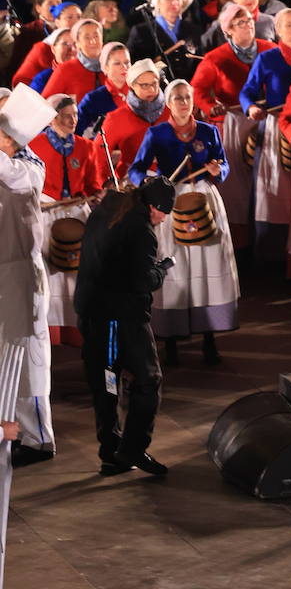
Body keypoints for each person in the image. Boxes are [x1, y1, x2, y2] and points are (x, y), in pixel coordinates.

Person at [129, 79, 238, 368]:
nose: (183, 102)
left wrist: (218, 169)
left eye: (187, 97)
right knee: (175, 266)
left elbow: (223, 164)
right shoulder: (157, 134)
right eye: (177, 98)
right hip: (171, 201)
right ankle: (171, 341)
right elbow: (135, 170)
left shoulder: (209, 131)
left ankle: (209, 339)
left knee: (208, 264)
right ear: (168, 103)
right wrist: (150, 183)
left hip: (204, 200)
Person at [75, 175, 176, 476]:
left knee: (107, 381)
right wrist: (162, 270)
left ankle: (111, 450)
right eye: (164, 213)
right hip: (121, 319)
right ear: (156, 207)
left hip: (92, 314)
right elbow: (141, 281)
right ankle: (131, 450)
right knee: (148, 379)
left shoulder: (105, 211)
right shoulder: (140, 229)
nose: (163, 219)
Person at [0, 85, 57, 468]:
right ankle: (10, 428)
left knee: (29, 360)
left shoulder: (30, 167)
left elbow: (8, 172)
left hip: (23, 274)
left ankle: (38, 439)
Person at [31, 94, 104, 347]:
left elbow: (93, 184)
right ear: (52, 119)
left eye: (75, 115)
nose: (73, 120)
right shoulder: (35, 145)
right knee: (50, 273)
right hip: (48, 215)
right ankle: (51, 335)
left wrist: (96, 194)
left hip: (76, 214)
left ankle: (77, 332)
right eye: (66, 115)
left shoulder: (87, 146)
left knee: (78, 274)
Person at [99, 58, 169, 181]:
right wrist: (108, 182)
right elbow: (98, 156)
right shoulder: (117, 118)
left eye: (154, 83)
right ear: (132, 86)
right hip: (133, 182)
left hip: (174, 177)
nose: (151, 90)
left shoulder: (171, 109)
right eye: (144, 85)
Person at [76, 41, 131, 137]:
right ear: (106, 68)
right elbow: (77, 133)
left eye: (127, 62)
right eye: (117, 63)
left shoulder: (138, 92)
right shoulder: (93, 99)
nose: (124, 67)